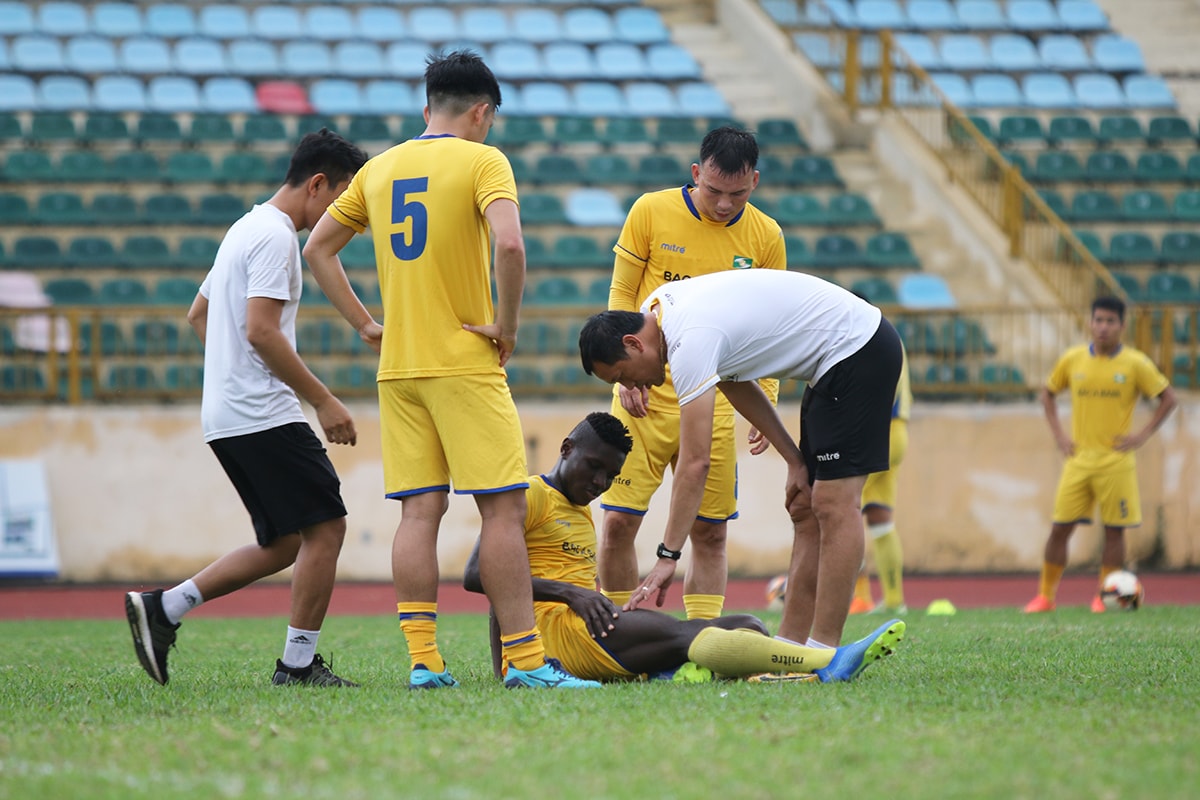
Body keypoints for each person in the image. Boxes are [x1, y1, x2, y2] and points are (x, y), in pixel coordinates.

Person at [301, 50, 596, 689]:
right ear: (482, 112)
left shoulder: (378, 169)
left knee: (417, 514)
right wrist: (507, 327)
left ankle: (424, 663)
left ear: (426, 105)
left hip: (400, 367)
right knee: (502, 511)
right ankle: (524, 662)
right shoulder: (483, 159)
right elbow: (511, 244)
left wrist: (365, 324)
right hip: (464, 361)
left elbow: (317, 248)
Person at [124, 129, 369, 687]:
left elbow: (198, 315)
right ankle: (298, 666)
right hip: (263, 411)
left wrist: (230, 374)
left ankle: (165, 608)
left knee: (286, 540)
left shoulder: (243, 228)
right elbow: (261, 330)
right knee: (327, 528)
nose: (343, 215)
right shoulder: (276, 238)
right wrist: (324, 399)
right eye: (341, 197)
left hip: (228, 414)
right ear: (317, 184)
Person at [579, 268, 905, 655]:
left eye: (623, 376)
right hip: (831, 364)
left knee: (835, 504)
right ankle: (791, 648)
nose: (633, 388)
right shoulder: (658, 307)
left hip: (857, 350)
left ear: (634, 344)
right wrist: (794, 460)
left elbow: (695, 462)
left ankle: (824, 651)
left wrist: (668, 556)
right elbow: (732, 379)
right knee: (805, 506)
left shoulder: (688, 341)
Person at [463, 412, 905, 683]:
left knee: (747, 622)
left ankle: (679, 670)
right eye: (593, 467)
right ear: (566, 448)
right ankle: (822, 662)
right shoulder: (531, 495)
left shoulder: (577, 511)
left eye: (609, 477)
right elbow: (478, 575)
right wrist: (514, 658)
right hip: (561, 635)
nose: (599, 483)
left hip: (583, 629)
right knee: (689, 633)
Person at [599, 126, 786, 623]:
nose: (724, 205)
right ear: (696, 174)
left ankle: (701, 642)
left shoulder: (766, 236)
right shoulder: (650, 211)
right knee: (618, 520)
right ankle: (618, 635)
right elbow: (621, 299)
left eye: (738, 194)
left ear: (755, 182)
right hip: (646, 394)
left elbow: (770, 325)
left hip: (720, 395)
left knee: (710, 531)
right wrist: (627, 378)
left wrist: (765, 400)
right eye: (714, 191)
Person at [1023, 296, 1176, 614]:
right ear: (1090, 323)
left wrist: (1141, 435)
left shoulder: (1135, 363)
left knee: (1114, 531)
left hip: (1116, 462)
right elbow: (1048, 395)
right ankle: (1045, 597)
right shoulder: (1073, 359)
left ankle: (1103, 596)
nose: (1103, 327)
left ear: (1122, 326)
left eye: (1110, 321)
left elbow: (1168, 398)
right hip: (1079, 460)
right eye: (1098, 320)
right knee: (1059, 527)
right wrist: (1060, 437)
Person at [850, 342, 912, 615]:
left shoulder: (870, 337)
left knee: (840, 508)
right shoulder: (891, 338)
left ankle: (860, 597)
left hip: (877, 431)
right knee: (879, 516)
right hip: (896, 432)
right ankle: (894, 601)